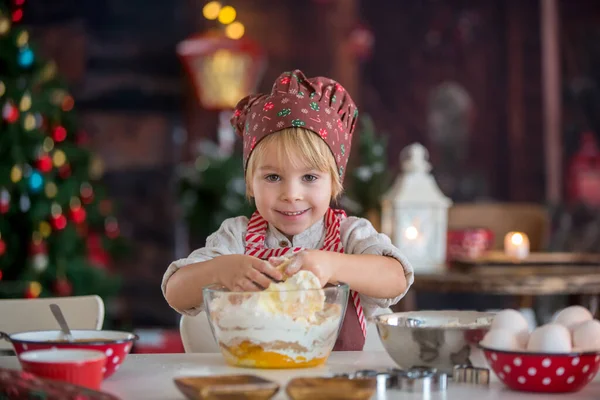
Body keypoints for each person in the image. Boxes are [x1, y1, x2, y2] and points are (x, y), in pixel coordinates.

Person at [162, 69, 414, 350]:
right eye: (272, 177)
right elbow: (175, 292)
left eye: (309, 178)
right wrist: (220, 270)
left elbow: (396, 279)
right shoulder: (237, 237)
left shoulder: (349, 235)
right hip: (257, 379)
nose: (291, 195)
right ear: (250, 183)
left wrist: (332, 265)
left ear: (334, 182)